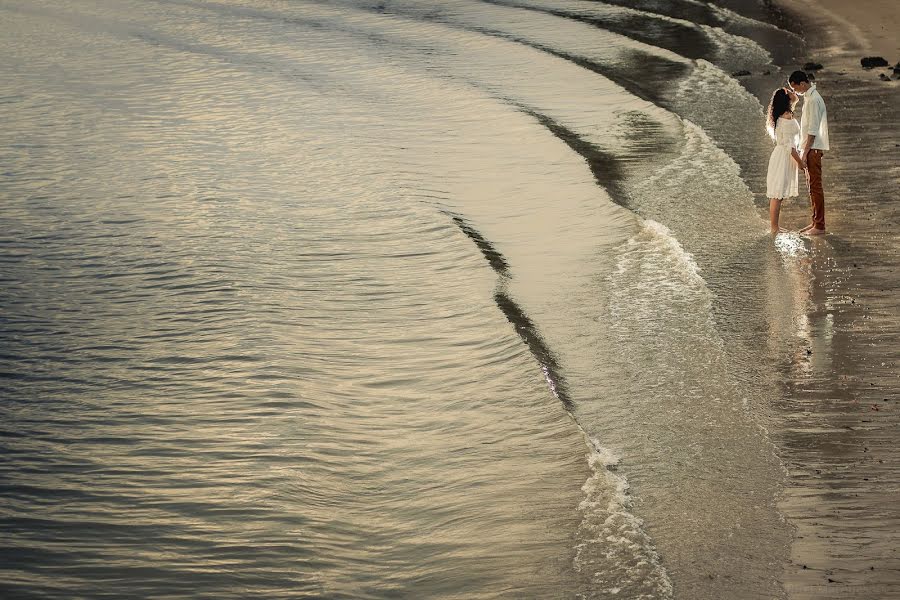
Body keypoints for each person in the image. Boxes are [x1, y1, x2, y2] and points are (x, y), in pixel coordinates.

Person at [788, 70, 830, 235]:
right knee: (812, 187)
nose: (794, 91)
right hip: (811, 148)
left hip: (812, 149)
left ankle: (819, 225)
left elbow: (812, 131)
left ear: (802, 84)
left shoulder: (813, 100)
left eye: (795, 87)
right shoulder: (810, 97)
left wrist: (804, 153)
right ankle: (815, 222)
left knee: (815, 187)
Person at [765, 87, 804, 233]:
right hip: (783, 156)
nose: (794, 92)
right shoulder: (787, 116)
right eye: (790, 91)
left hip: (781, 155)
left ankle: (774, 227)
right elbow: (789, 145)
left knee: (778, 193)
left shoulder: (784, 114)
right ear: (787, 98)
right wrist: (800, 162)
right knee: (777, 193)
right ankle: (774, 228)